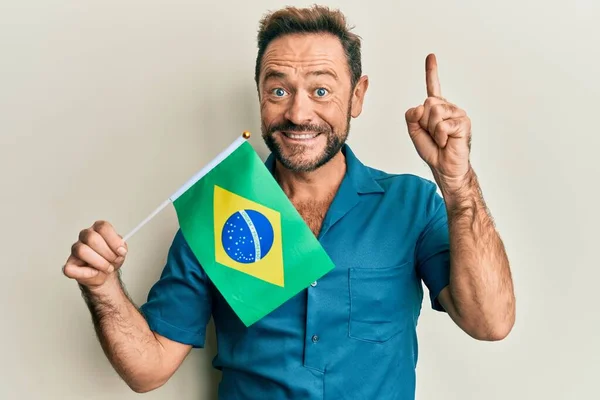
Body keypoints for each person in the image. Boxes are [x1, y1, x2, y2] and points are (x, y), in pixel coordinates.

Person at [62, 5, 516, 399]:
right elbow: (148, 369)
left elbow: (490, 322)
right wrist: (102, 287)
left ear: (356, 96)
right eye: (278, 90)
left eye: (321, 90)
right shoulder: (222, 211)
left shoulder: (412, 203)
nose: (298, 114)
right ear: (259, 92)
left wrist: (457, 184)